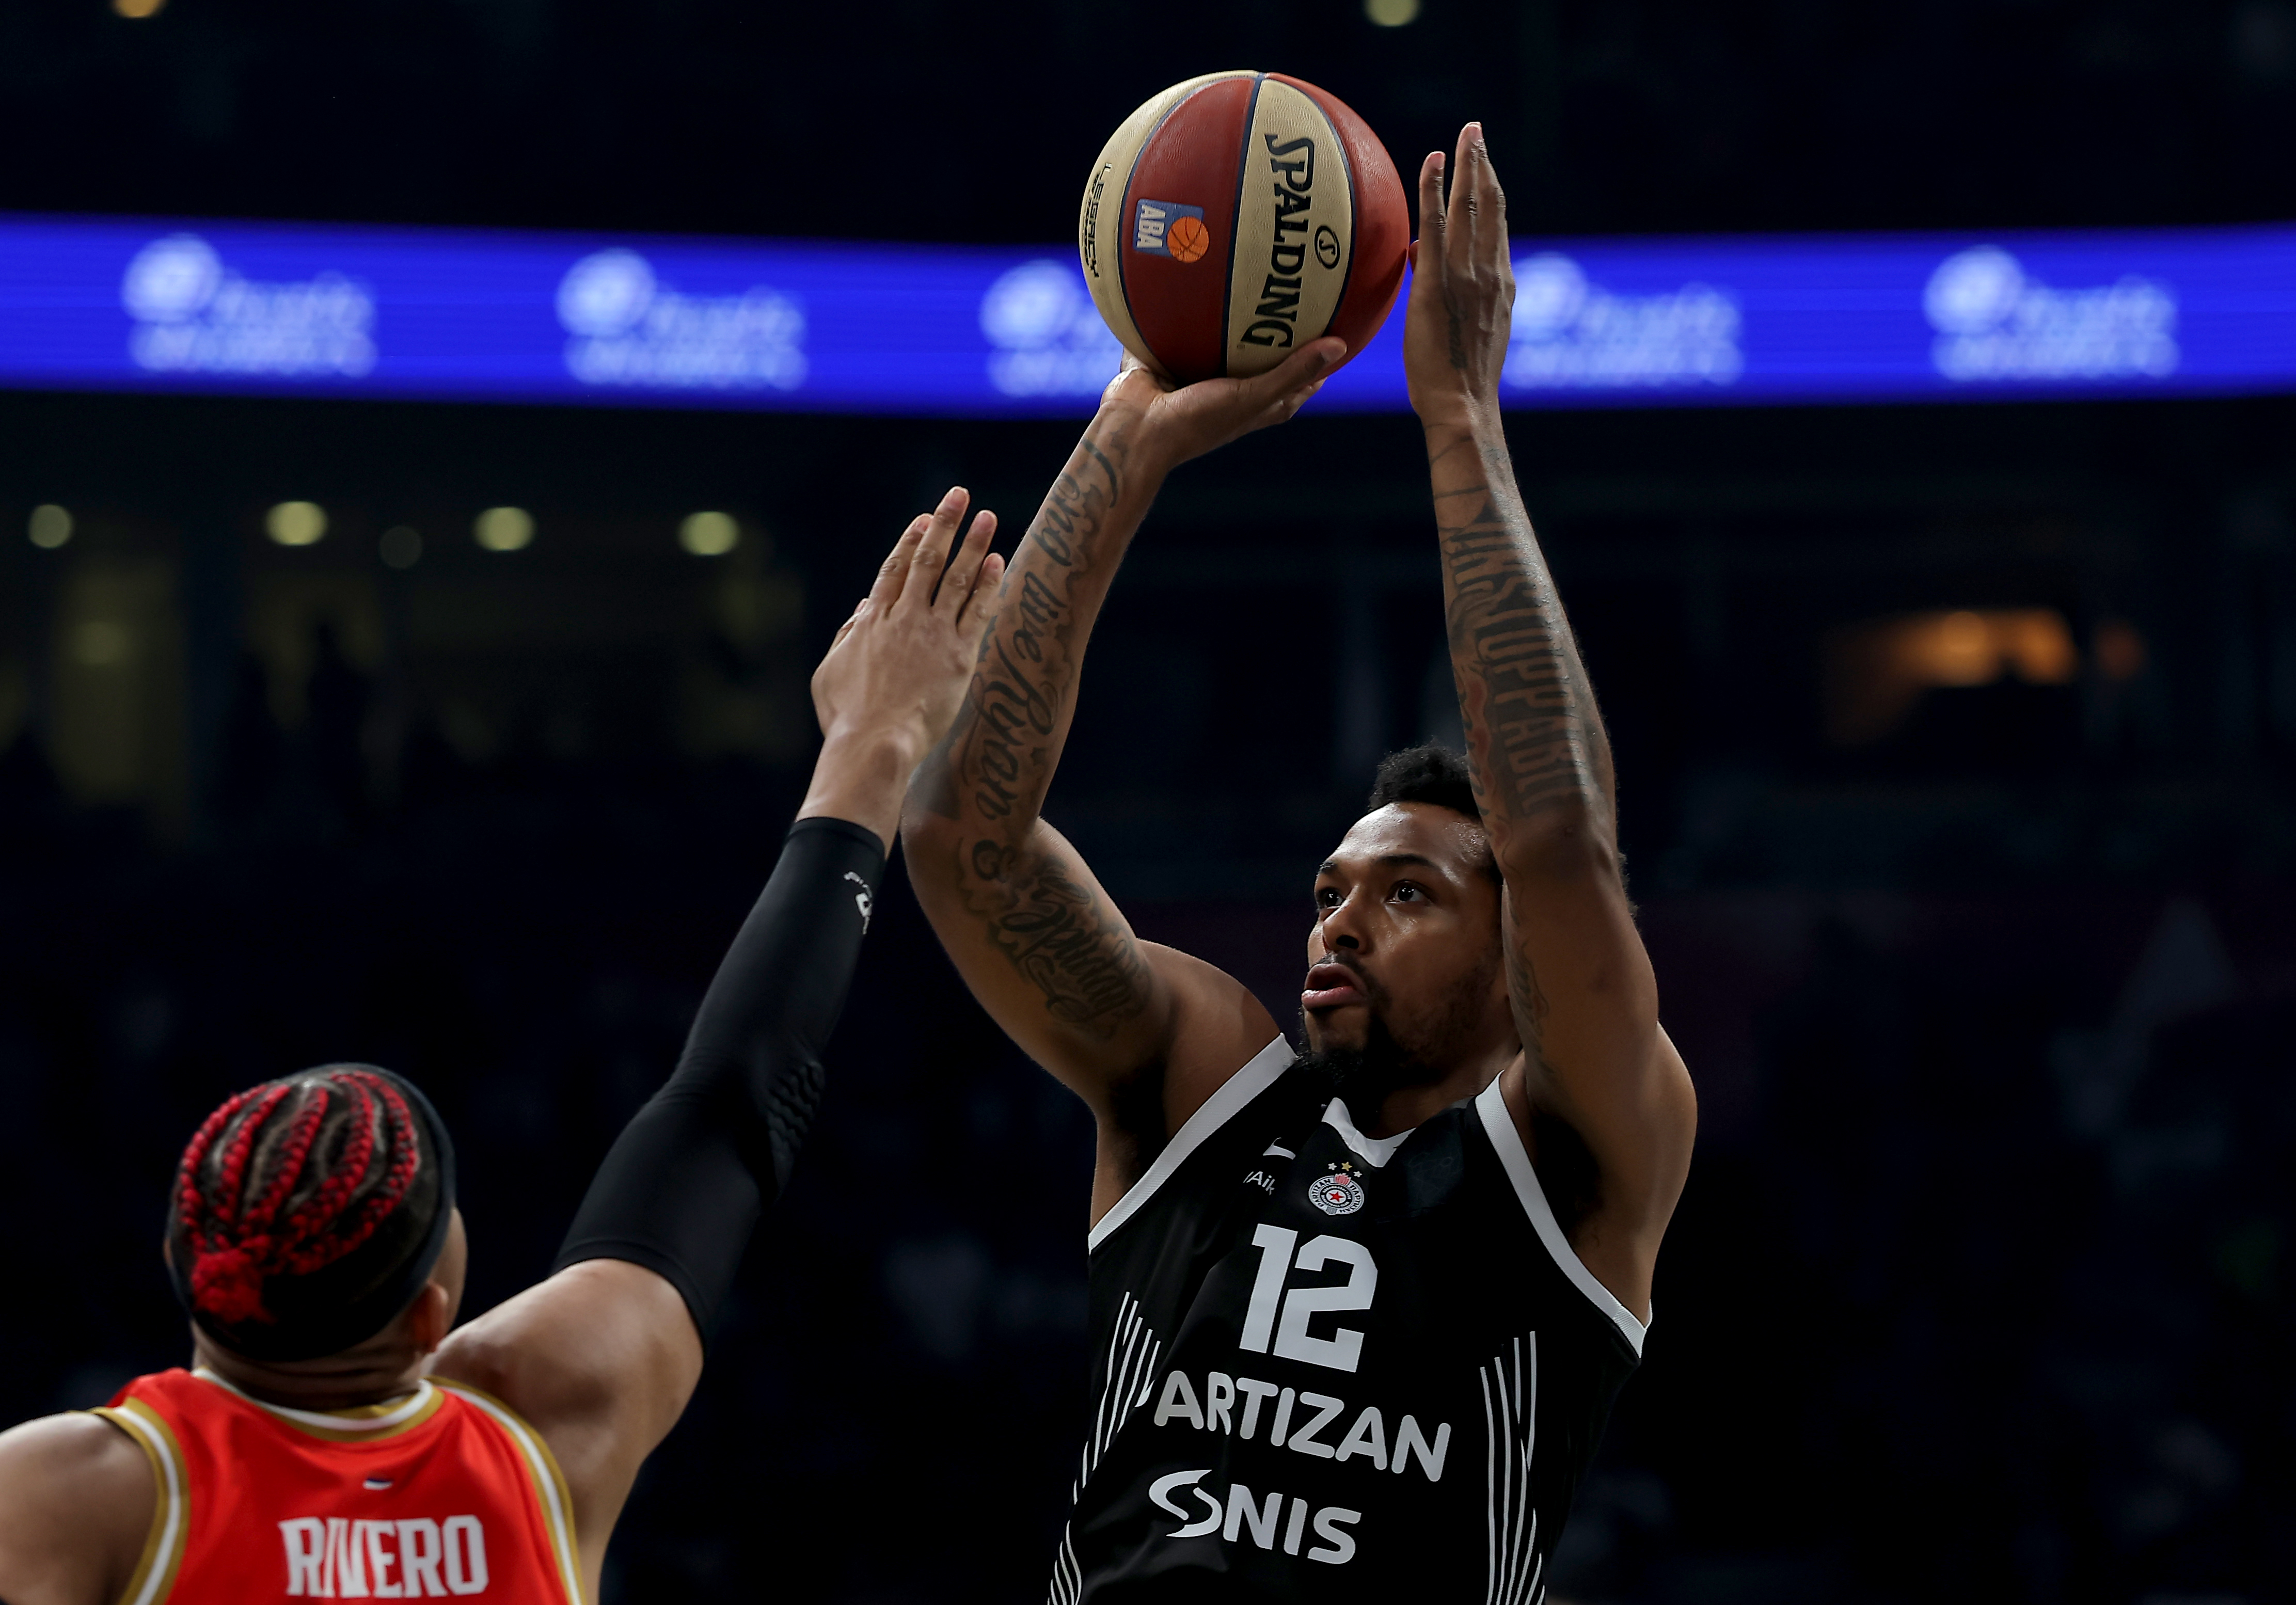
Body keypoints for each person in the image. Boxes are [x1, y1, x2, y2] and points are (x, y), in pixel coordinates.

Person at [901, 123, 1697, 1600]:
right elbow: (964, 844)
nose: (1339, 922)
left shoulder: (1574, 1154)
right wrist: (1126, 441)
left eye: (1408, 894)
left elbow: (1559, 841)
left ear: (1514, 956)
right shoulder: (1208, 1086)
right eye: (1329, 890)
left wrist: (1459, 420)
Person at [0, 499, 1005, 1605]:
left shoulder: (72, 1494)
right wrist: (875, 740)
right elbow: (729, 1104)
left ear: (186, 1267)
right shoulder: (549, 1428)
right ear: (435, 1318)